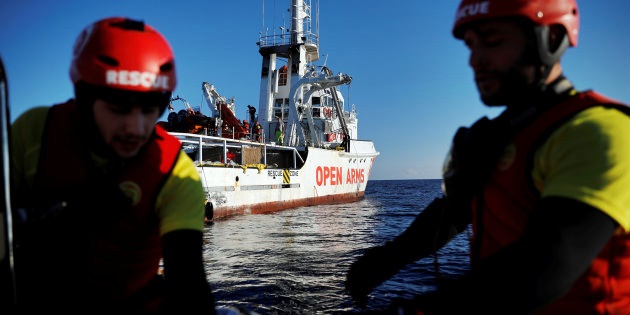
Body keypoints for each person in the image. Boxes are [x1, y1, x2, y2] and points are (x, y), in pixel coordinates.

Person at [345, 1, 630, 314]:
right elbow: (453, 212)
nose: (475, 60)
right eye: (471, 45)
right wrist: (382, 261)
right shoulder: (496, 136)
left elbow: (548, 264)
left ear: (549, 40)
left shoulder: (601, 132)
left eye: (492, 41)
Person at [10, 17, 216, 314]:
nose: (135, 127)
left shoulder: (175, 173)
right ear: (84, 97)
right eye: (119, 109)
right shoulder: (35, 133)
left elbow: (188, 282)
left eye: (150, 111)